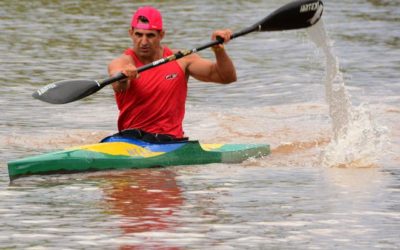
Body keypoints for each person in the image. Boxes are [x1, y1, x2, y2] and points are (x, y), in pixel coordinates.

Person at [107, 6, 237, 143]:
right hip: (131, 140)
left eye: (150, 35)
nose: (144, 42)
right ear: (131, 33)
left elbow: (226, 77)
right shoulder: (122, 62)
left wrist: (218, 50)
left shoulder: (181, 59)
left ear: (161, 35)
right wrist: (123, 77)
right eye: (139, 35)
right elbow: (118, 85)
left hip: (170, 142)